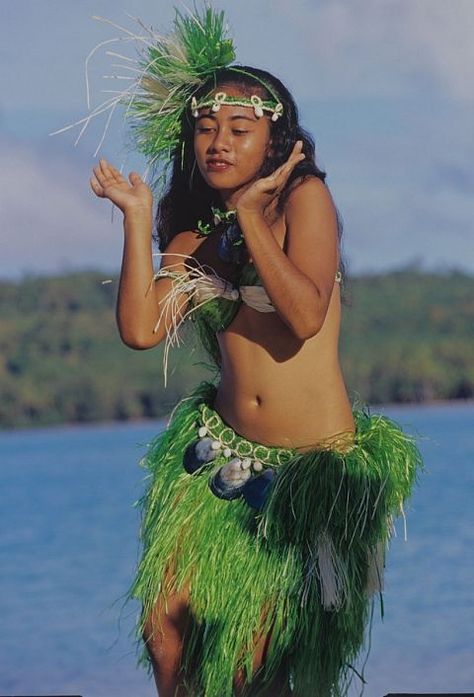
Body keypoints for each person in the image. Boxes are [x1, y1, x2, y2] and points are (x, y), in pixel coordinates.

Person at [88, 7, 422, 697]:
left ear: (277, 137)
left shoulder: (306, 200)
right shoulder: (195, 233)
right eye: (206, 128)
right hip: (218, 461)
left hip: (305, 474)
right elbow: (141, 328)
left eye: (239, 129)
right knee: (164, 624)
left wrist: (250, 217)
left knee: (251, 663)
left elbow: (302, 315)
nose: (218, 141)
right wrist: (139, 218)